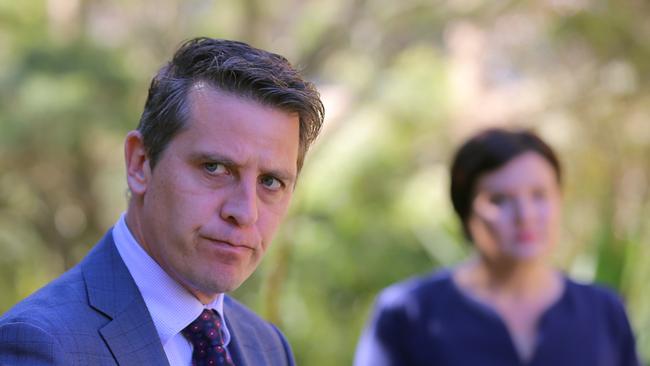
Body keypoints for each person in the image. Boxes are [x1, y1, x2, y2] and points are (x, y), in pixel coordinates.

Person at [0, 37, 324, 365]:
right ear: (140, 163)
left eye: (270, 182)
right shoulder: (41, 346)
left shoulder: (267, 348)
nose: (244, 212)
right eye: (215, 168)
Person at [354, 128, 640, 365]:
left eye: (539, 195)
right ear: (466, 212)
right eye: (499, 200)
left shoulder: (604, 312)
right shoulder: (408, 313)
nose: (524, 215)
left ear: (559, 200)